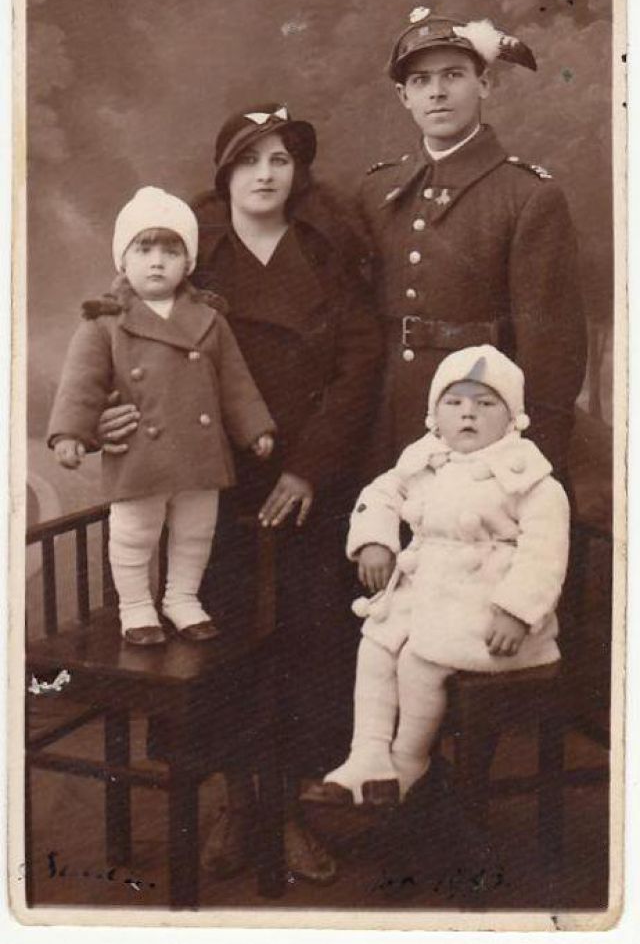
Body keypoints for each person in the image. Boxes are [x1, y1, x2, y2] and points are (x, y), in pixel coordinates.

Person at [97, 107, 382, 881]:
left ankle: (290, 810)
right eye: (249, 159)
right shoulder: (185, 250)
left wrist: (309, 468)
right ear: (223, 173)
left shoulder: (328, 250)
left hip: (311, 483)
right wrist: (110, 414)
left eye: (280, 159)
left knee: (309, 641)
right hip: (208, 481)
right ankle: (234, 802)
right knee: (215, 640)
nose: (265, 173)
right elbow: (119, 343)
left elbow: (360, 366)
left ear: (298, 171)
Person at [303, 345, 570, 807]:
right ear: (435, 415)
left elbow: (544, 552)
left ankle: (409, 761)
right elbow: (380, 493)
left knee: (419, 660)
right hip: (427, 587)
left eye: (485, 404)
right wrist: (375, 540)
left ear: (512, 418)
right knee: (376, 644)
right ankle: (367, 754)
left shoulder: (528, 477)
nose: (468, 413)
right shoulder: (426, 458)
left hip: (487, 607)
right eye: (454, 402)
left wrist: (516, 611)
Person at [359, 8, 587, 479]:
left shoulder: (527, 195)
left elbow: (551, 353)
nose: (437, 92)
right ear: (404, 96)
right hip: (386, 421)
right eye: (421, 81)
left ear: (484, 84)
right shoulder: (376, 190)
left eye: (453, 75)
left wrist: (528, 463)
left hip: (485, 430)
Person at [47, 186, 275, 645]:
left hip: (198, 454)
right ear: (123, 260)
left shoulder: (209, 318)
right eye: (144, 249)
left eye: (171, 251)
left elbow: (235, 382)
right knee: (135, 534)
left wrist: (255, 428)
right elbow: (81, 385)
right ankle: (135, 607)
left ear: (187, 262)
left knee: (195, 532)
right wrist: (70, 434)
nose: (157, 262)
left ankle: (181, 598)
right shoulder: (104, 322)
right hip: (140, 453)